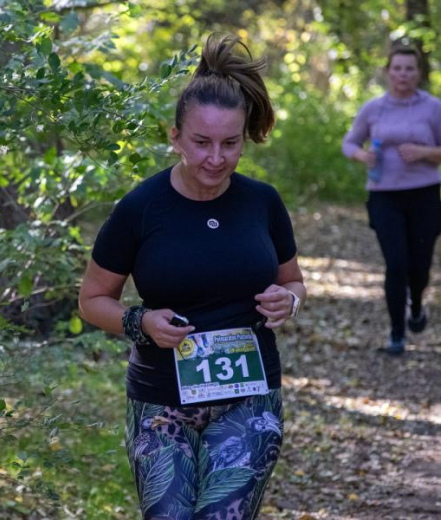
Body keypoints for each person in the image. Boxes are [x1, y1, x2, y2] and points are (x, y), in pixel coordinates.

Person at [78, 34, 306, 520]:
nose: (216, 158)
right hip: (161, 402)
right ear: (175, 136)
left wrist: (290, 301)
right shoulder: (141, 209)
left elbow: (293, 282)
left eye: (230, 143)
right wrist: (143, 323)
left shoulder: (262, 202)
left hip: (248, 395)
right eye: (201, 142)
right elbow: (93, 299)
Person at [342, 44, 441, 355]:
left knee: (420, 266)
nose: (403, 74)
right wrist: (363, 155)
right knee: (396, 263)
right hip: (384, 196)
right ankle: (397, 334)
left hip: (425, 195)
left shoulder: (432, 107)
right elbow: (349, 142)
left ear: (419, 73)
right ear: (387, 71)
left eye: (409, 69)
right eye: (397, 68)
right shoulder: (374, 108)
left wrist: (424, 152)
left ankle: (416, 305)